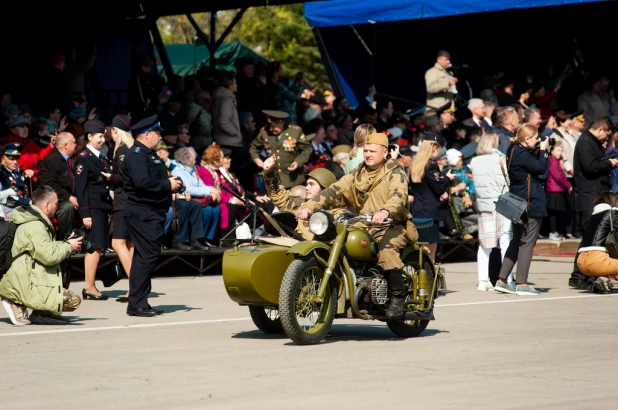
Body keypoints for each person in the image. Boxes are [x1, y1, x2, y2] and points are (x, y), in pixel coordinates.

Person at [298, 132, 417, 317]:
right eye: (366, 150)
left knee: (386, 250)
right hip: (364, 223)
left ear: (385, 152)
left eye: (372, 151)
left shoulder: (395, 171)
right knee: (336, 239)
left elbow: (399, 195)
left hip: (392, 224)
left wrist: (385, 211)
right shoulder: (357, 173)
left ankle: (398, 298)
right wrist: (309, 206)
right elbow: (334, 191)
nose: (368, 154)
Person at [123, 115, 182, 317]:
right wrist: (168, 185)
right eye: (157, 133)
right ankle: (136, 303)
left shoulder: (149, 154)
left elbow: (156, 178)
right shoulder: (138, 155)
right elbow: (142, 183)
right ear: (146, 134)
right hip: (143, 212)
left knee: (145, 256)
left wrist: (173, 181)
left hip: (152, 211)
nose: (159, 136)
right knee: (147, 256)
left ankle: (140, 302)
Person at [0, 185, 83, 325]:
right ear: (47, 205)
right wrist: (69, 246)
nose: (58, 208)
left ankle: (37, 310)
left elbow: (45, 249)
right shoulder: (35, 226)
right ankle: (14, 299)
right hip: (18, 280)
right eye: (56, 204)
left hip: (26, 276)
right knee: (71, 301)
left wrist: (67, 244)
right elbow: (49, 256)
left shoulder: (35, 221)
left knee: (68, 300)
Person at [494, 124, 549, 295]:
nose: (538, 141)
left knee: (517, 241)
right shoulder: (522, 153)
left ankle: (502, 280)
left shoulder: (512, 149)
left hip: (518, 202)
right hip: (530, 203)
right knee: (527, 243)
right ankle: (522, 284)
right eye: (535, 138)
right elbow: (541, 169)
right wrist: (545, 152)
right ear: (526, 139)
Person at [569, 117, 618, 290]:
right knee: (591, 238)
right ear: (601, 130)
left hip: (594, 195)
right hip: (588, 196)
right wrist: (609, 163)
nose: (606, 139)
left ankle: (582, 275)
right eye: (606, 135)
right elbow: (590, 167)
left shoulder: (593, 143)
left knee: (591, 237)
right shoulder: (585, 142)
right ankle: (579, 275)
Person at [74, 119, 113, 300]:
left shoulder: (100, 157)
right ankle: (89, 286)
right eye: (98, 136)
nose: (102, 139)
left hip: (102, 205)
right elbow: (81, 189)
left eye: (102, 136)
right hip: (93, 207)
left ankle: (91, 285)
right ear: (89, 137)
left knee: (98, 246)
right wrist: (85, 213)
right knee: (94, 246)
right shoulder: (84, 158)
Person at [262, 154, 338, 239]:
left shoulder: (337, 214)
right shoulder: (298, 205)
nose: (306, 188)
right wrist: (268, 172)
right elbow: (278, 194)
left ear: (325, 190)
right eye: (307, 184)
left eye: (311, 184)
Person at [250, 110, 312, 188]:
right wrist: (257, 159)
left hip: (293, 179)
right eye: (270, 126)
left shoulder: (294, 131)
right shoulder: (264, 132)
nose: (271, 129)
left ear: (281, 122)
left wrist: (298, 162)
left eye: (274, 126)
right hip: (275, 180)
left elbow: (307, 149)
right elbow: (253, 147)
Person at [109, 115, 134, 302]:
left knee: (117, 243)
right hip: (131, 201)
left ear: (116, 131)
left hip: (123, 201)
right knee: (130, 245)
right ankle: (134, 288)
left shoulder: (122, 151)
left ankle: (136, 284)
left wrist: (110, 178)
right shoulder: (132, 150)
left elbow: (124, 178)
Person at [38, 132, 78, 242]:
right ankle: (64, 242)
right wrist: (68, 197)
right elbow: (48, 184)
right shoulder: (51, 160)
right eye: (74, 142)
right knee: (67, 207)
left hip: (71, 196)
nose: (76, 145)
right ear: (65, 145)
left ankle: (82, 240)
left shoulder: (70, 159)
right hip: (54, 199)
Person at [576, 192, 618, 294]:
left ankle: (602, 280)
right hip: (598, 260)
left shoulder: (594, 216)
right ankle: (602, 279)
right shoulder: (613, 213)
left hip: (581, 262)